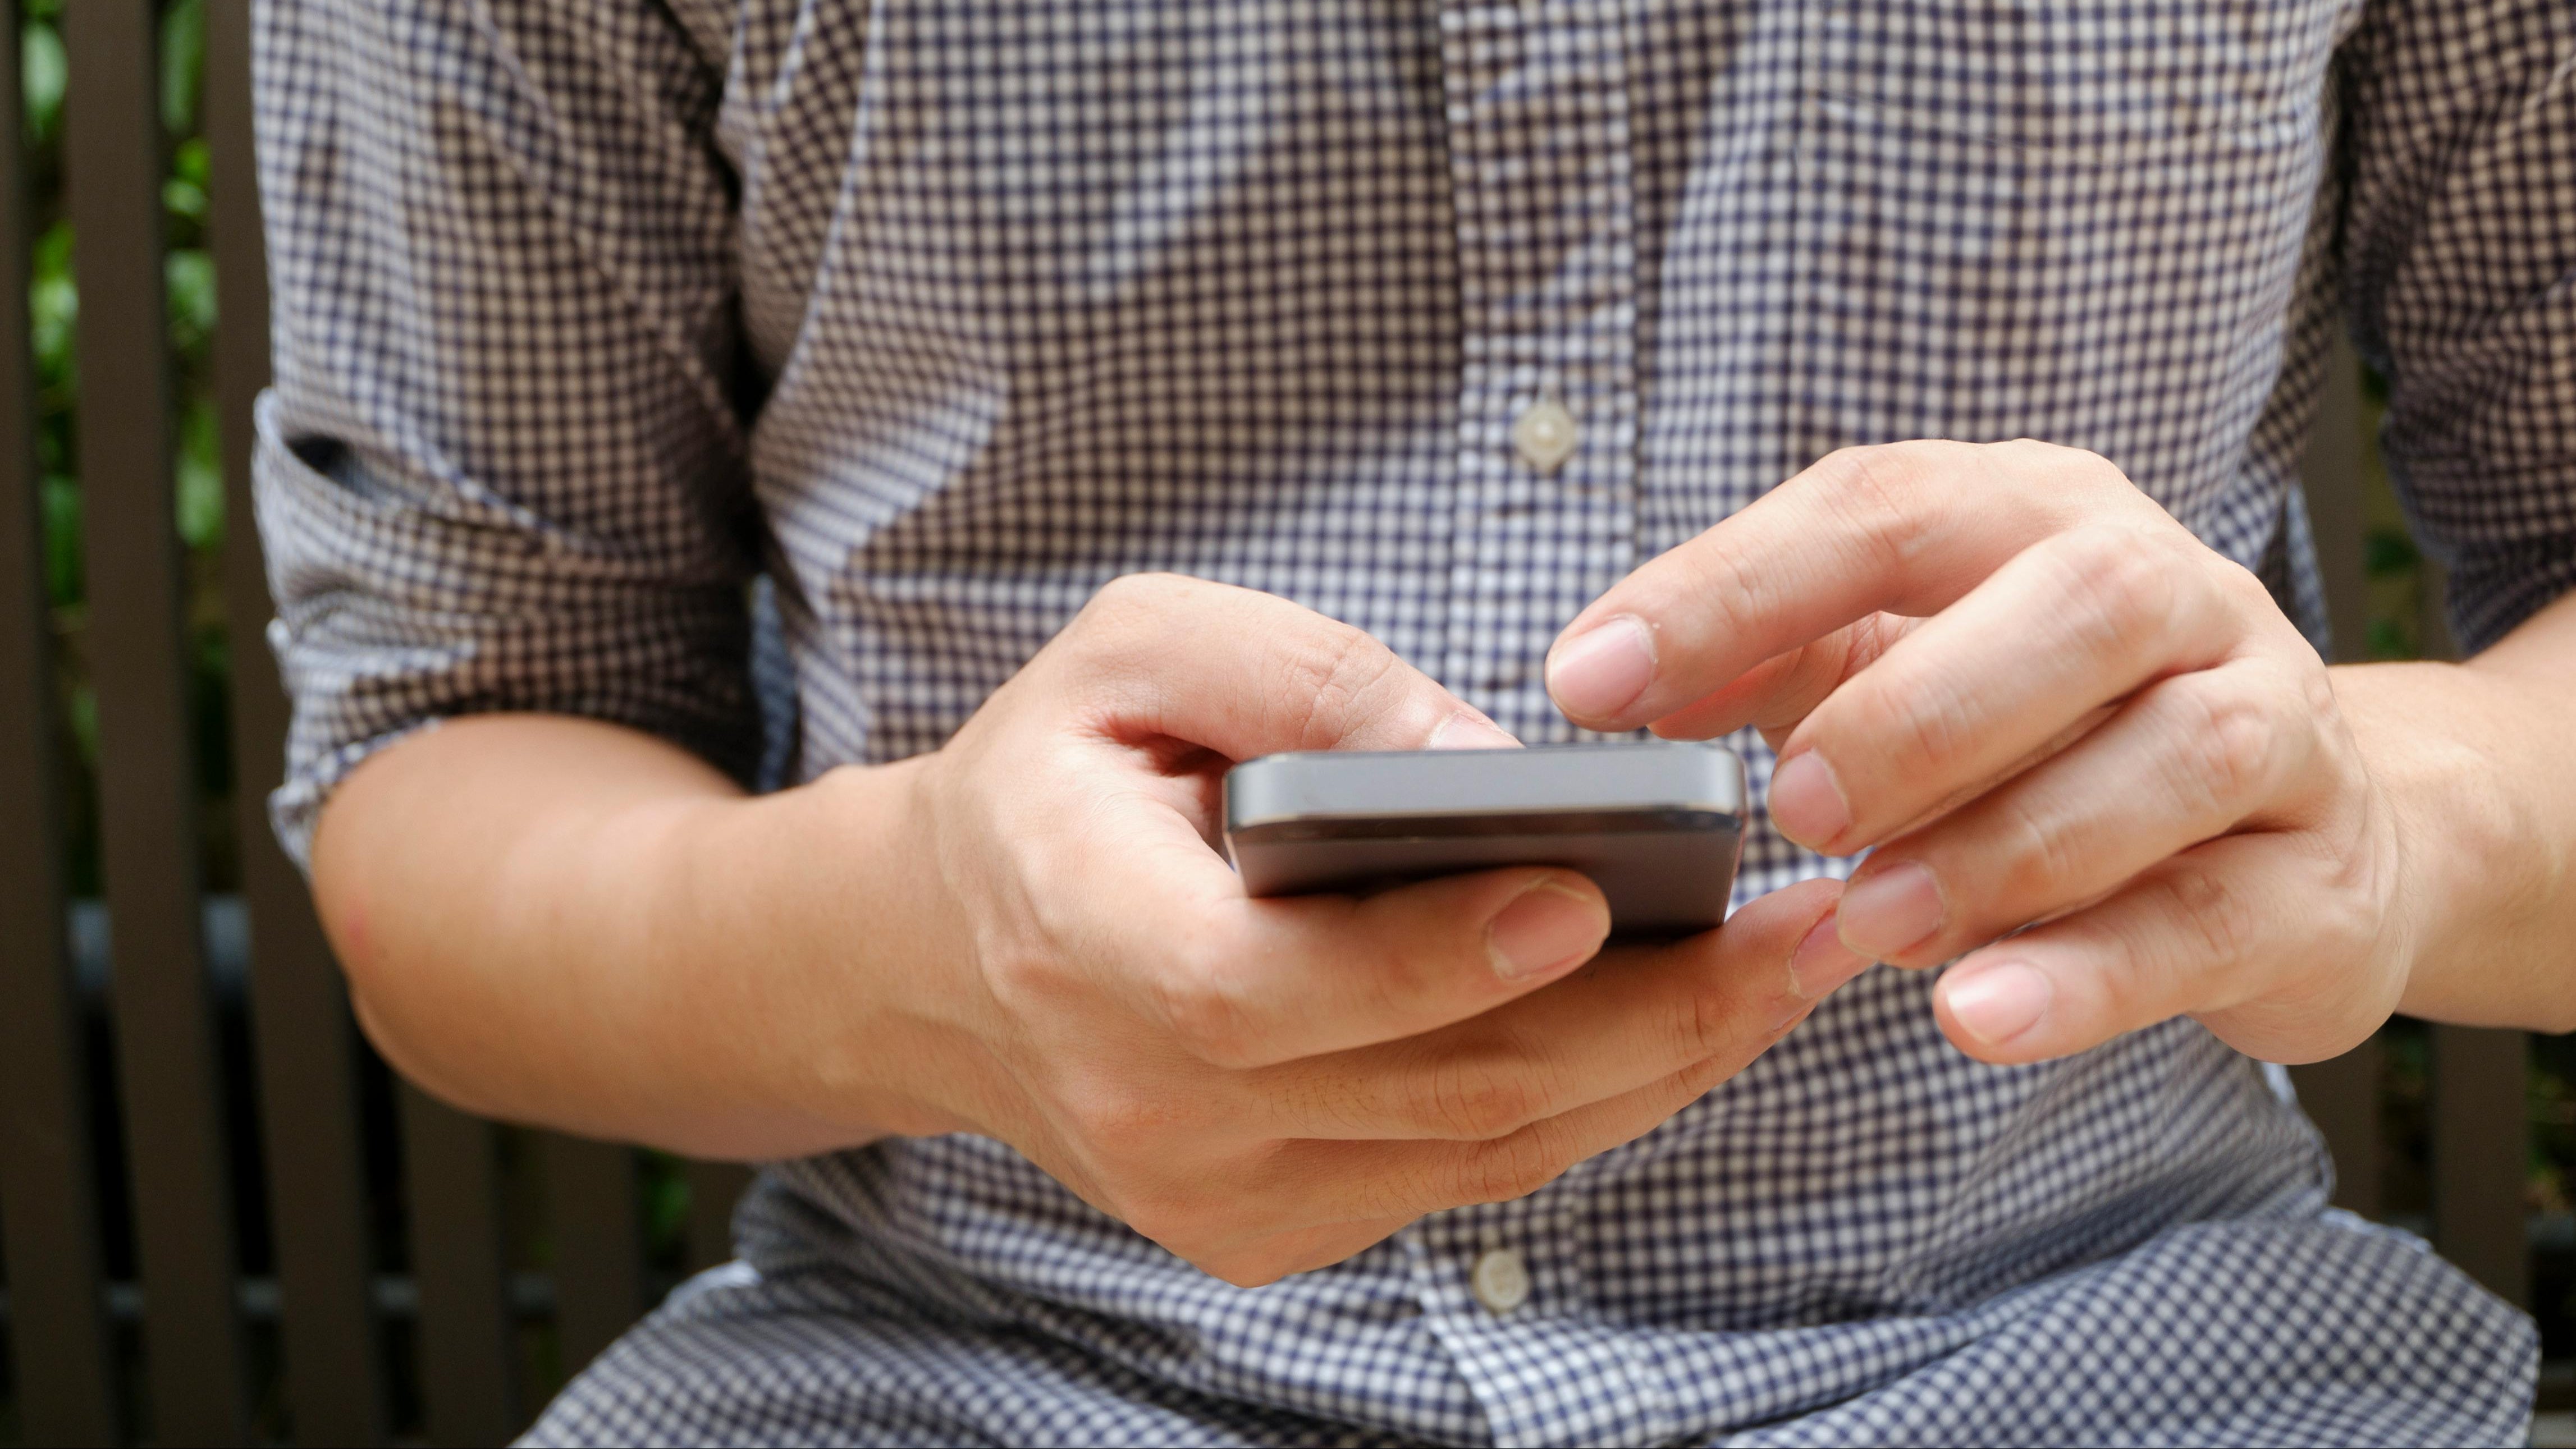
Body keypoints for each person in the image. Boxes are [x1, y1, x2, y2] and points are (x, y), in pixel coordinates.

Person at [251, 0, 2572, 1442]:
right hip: (963, 1373)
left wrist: (2381, 824)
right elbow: (467, 747)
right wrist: (916, 946)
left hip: (2131, 1359)